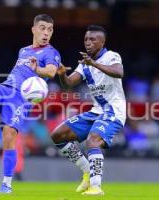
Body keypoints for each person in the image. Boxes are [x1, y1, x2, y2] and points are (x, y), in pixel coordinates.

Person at [0, 14, 61, 194]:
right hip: (6, 88)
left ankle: (6, 184)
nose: (46, 32)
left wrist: (38, 69)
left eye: (50, 29)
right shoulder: (24, 51)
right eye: (43, 28)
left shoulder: (51, 52)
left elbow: (51, 71)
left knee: (8, 137)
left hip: (20, 98)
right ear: (33, 29)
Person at [51, 25, 126, 195]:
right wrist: (62, 74)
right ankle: (86, 171)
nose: (88, 43)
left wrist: (94, 63)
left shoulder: (111, 56)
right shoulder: (84, 64)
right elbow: (69, 84)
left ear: (102, 41)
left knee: (92, 140)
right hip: (96, 111)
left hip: (114, 111)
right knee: (58, 135)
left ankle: (96, 186)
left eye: (93, 39)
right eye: (86, 39)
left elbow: (119, 72)